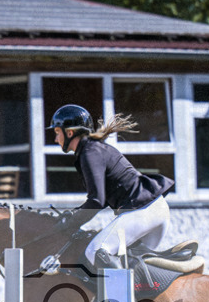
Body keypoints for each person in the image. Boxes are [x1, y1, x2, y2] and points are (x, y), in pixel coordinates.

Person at [40, 104, 175, 273]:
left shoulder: (89, 153)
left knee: (96, 252)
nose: (55, 139)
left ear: (69, 132)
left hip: (142, 211)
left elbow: (96, 201)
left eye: (57, 132)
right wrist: (76, 215)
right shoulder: (94, 149)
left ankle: (121, 301)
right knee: (130, 263)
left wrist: (72, 221)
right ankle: (138, 299)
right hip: (156, 210)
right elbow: (100, 199)